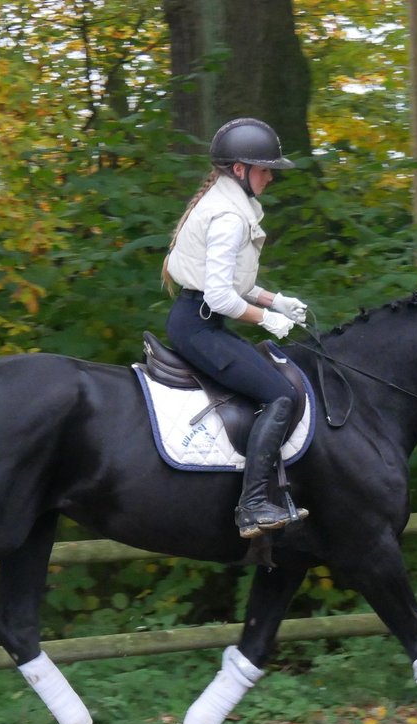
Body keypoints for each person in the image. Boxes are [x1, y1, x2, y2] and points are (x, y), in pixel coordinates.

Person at [161, 117, 311, 539]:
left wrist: (274, 299)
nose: (270, 177)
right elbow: (220, 299)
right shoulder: (228, 215)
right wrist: (269, 320)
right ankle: (253, 505)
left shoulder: (226, 203)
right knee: (280, 395)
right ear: (240, 170)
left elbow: (232, 284)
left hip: (199, 322)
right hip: (198, 327)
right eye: (265, 169)